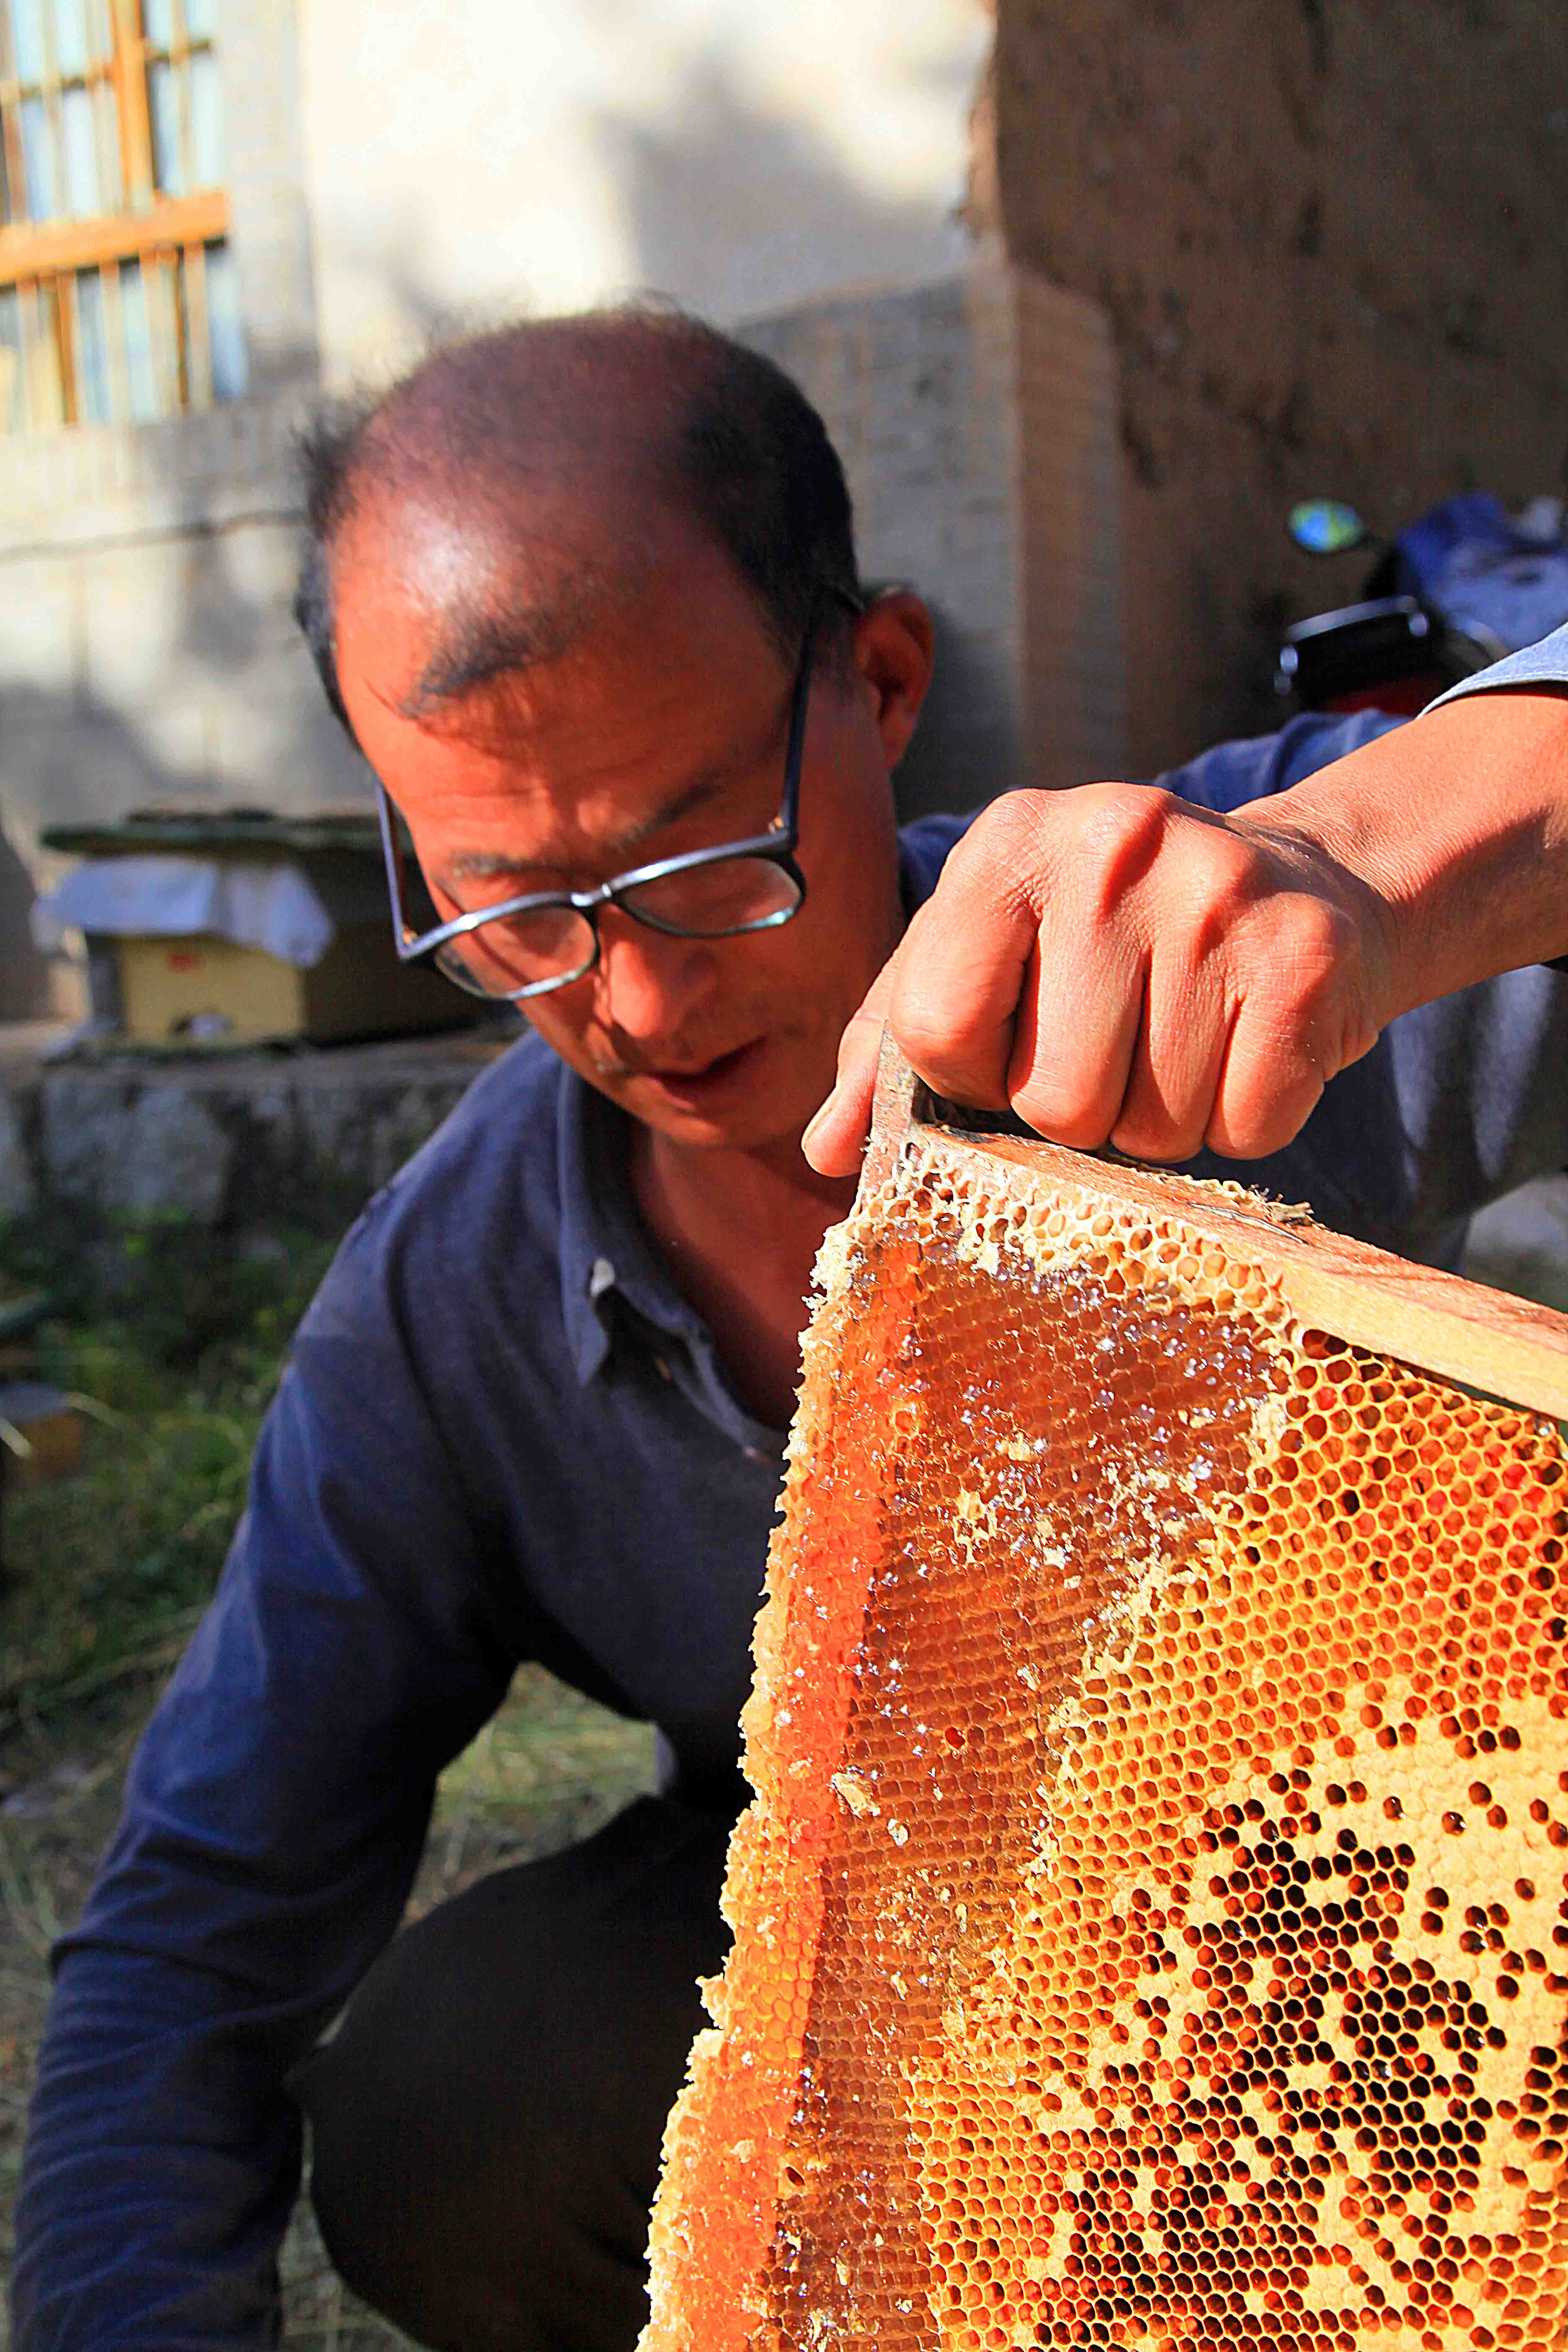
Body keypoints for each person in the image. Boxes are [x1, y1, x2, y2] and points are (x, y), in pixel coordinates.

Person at [12, 308, 1568, 2352]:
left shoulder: (1205, 927)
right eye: (510, 910)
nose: (636, 1005)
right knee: (449, 2093)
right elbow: (187, 1957)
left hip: (1421, 1896)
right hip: (917, 1984)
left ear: (885, 682)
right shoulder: (444, 1307)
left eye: (698, 858)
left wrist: (1369, 862)